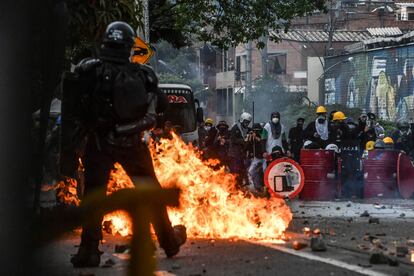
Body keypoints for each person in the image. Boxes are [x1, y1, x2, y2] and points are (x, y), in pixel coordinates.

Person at [68, 22, 186, 267]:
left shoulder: (89, 70)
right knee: (151, 193)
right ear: (129, 47)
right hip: (132, 144)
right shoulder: (143, 74)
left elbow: (73, 104)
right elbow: (162, 106)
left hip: (98, 143)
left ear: (106, 44)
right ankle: (169, 243)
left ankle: (88, 251)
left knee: (94, 196)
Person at [331, 111, 363, 198]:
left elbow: (352, 134)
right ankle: (344, 193)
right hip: (342, 154)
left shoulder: (343, 129)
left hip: (345, 155)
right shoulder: (336, 129)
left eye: (336, 122)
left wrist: (361, 123)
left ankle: (347, 193)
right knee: (345, 173)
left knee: (347, 173)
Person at [229, 112, 252, 187]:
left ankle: (240, 185)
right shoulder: (235, 128)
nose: (246, 124)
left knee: (242, 170)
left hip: (242, 154)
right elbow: (233, 139)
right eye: (245, 122)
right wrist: (243, 141)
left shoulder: (248, 130)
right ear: (242, 120)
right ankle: (234, 186)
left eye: (248, 122)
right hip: (235, 154)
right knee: (235, 171)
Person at [246, 123, 266, 192]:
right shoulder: (252, 136)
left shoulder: (263, 134)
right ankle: (257, 186)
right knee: (251, 171)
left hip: (264, 158)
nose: (256, 132)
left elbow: (263, 143)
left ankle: (265, 186)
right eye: (255, 130)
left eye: (257, 130)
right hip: (256, 157)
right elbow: (248, 146)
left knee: (265, 171)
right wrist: (249, 138)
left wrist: (257, 138)